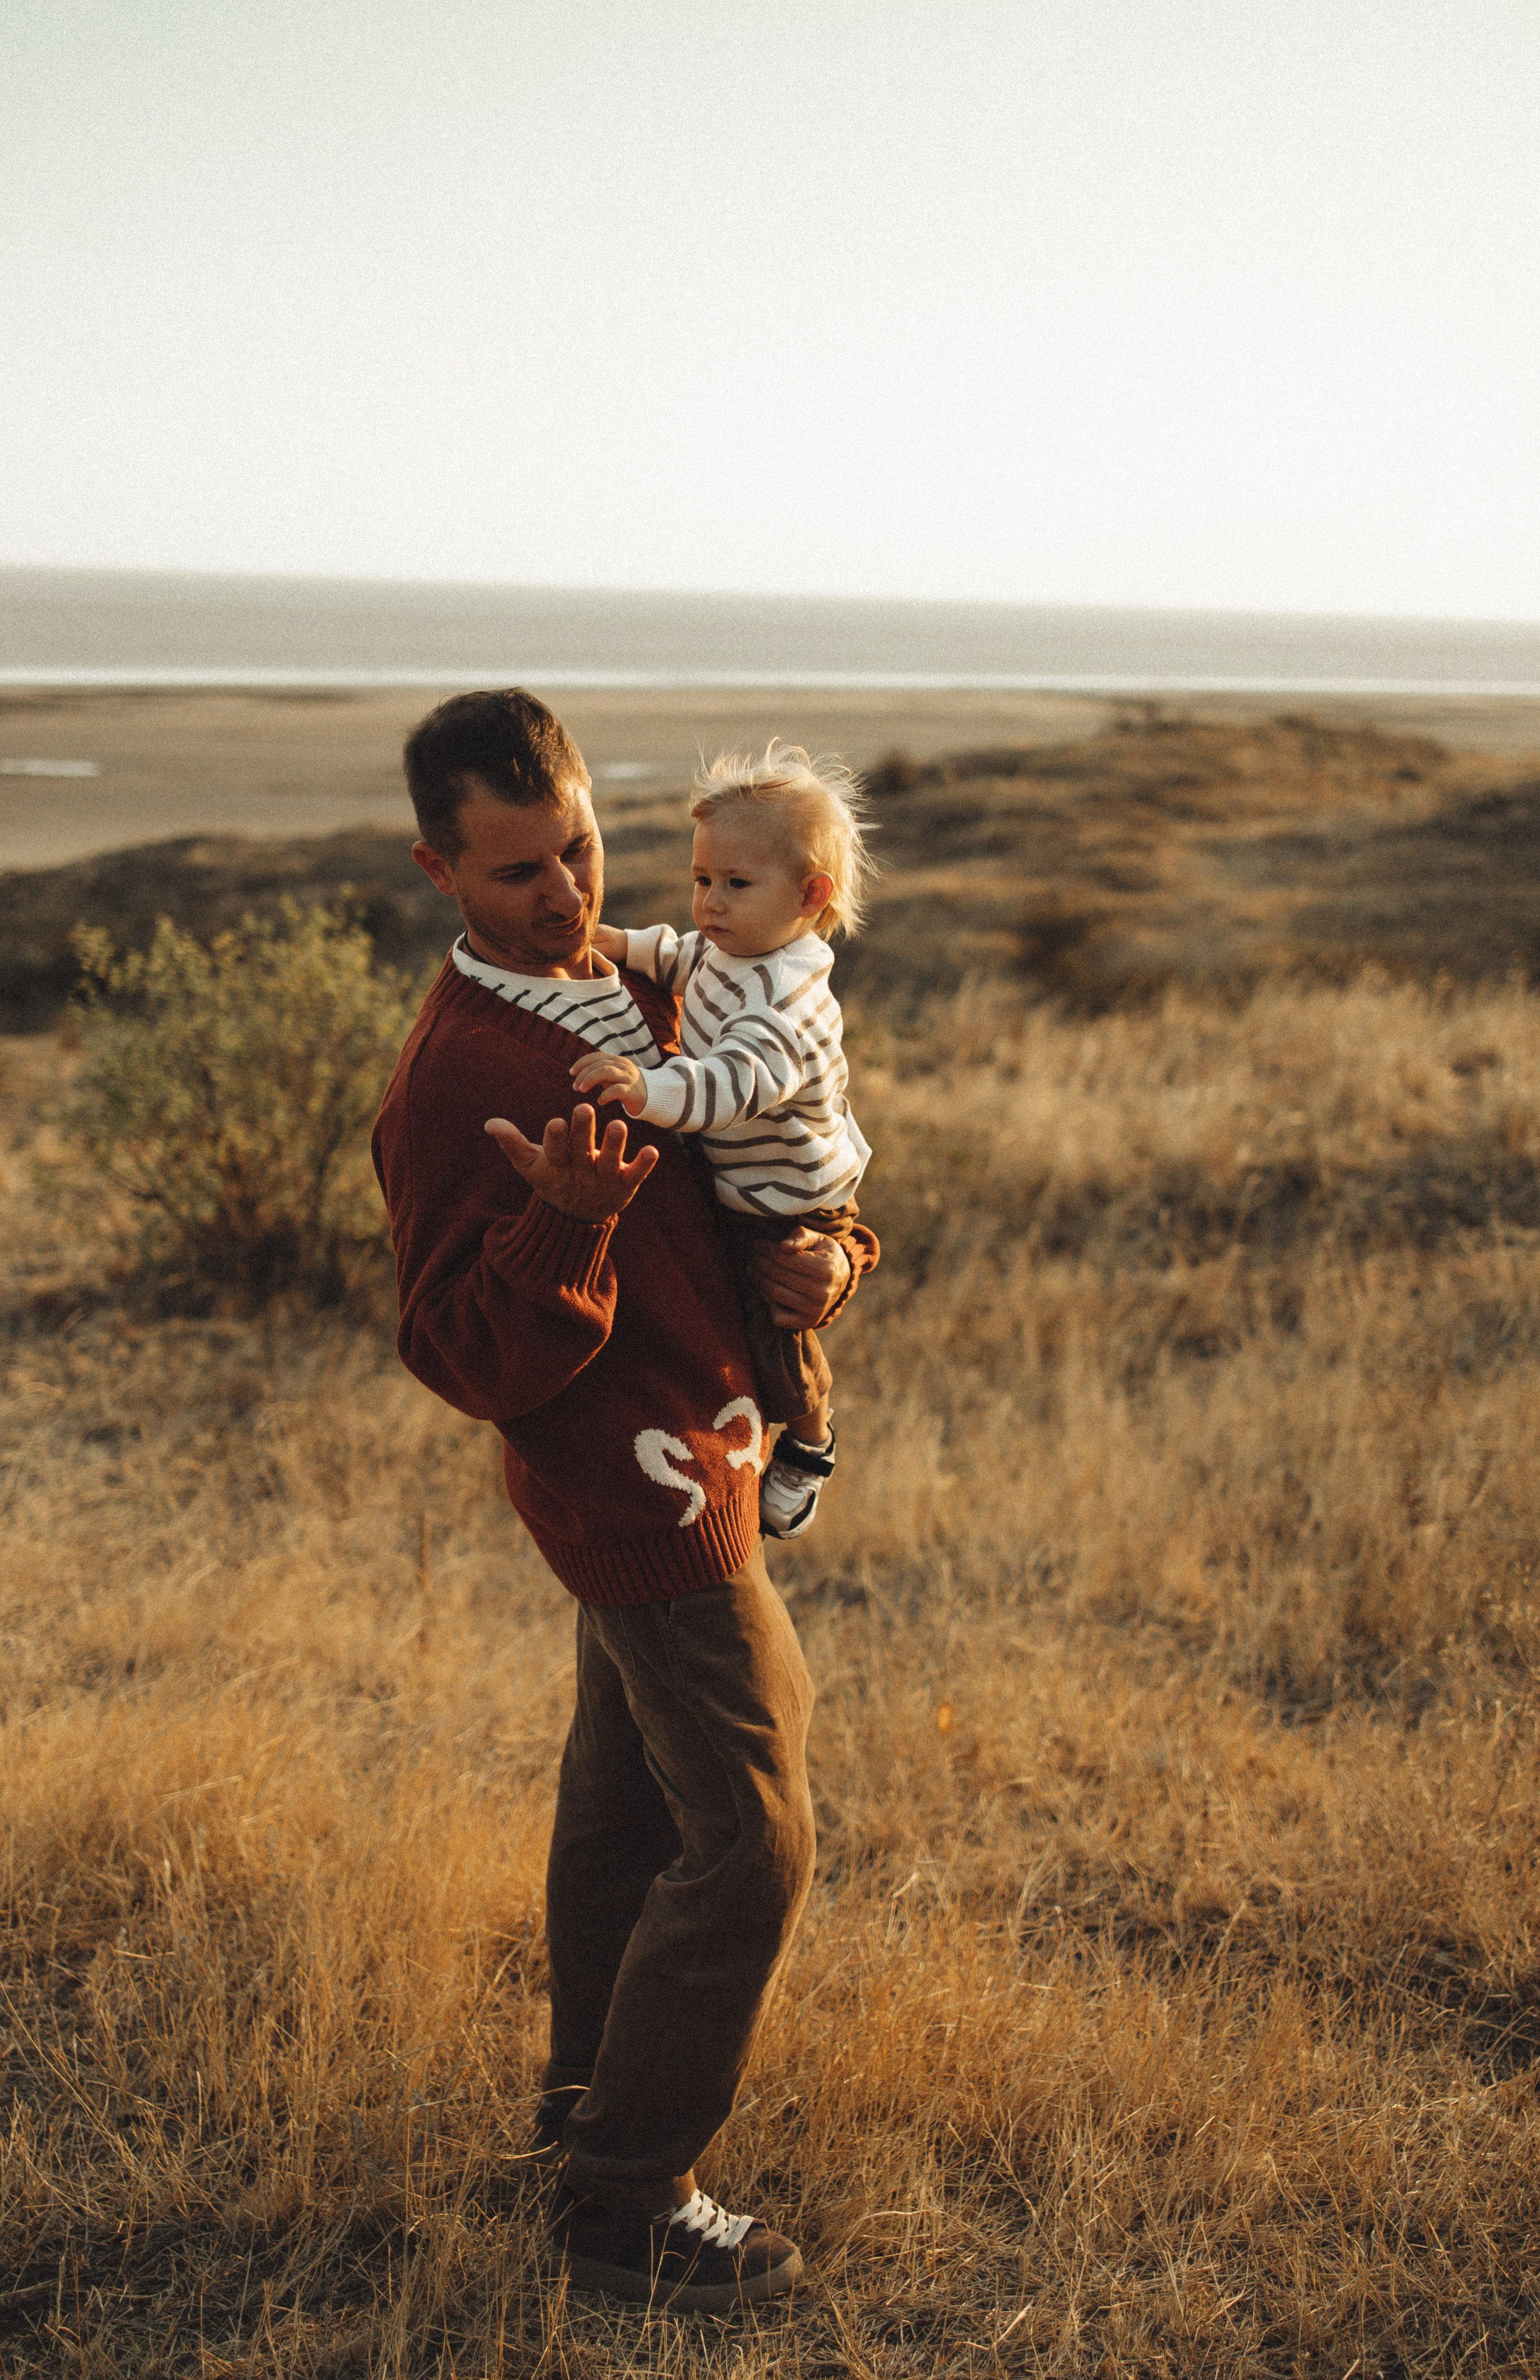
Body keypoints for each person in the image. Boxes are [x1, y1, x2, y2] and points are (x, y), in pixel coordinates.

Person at [370, 690, 878, 2313]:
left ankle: (576, 2120)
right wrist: (571, 1224)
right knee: (757, 1838)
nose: (564, 893)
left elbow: (779, 1154)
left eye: (580, 847)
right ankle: (627, 2203)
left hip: (720, 1435)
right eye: (519, 871)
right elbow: (462, 1353)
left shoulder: (656, 972)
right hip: (637, 1487)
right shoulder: (459, 1077)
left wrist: (835, 1260)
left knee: (627, 1818)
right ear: (440, 868)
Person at [575, 741, 874, 1542]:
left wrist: (648, 1089)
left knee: (777, 1332)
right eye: (702, 880)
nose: (710, 903)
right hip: (747, 1186)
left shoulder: (791, 1006)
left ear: (811, 895)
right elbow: (677, 958)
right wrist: (611, 945)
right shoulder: (732, 945)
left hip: (793, 1205)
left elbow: (730, 1087)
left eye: (736, 885)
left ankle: (811, 1442)